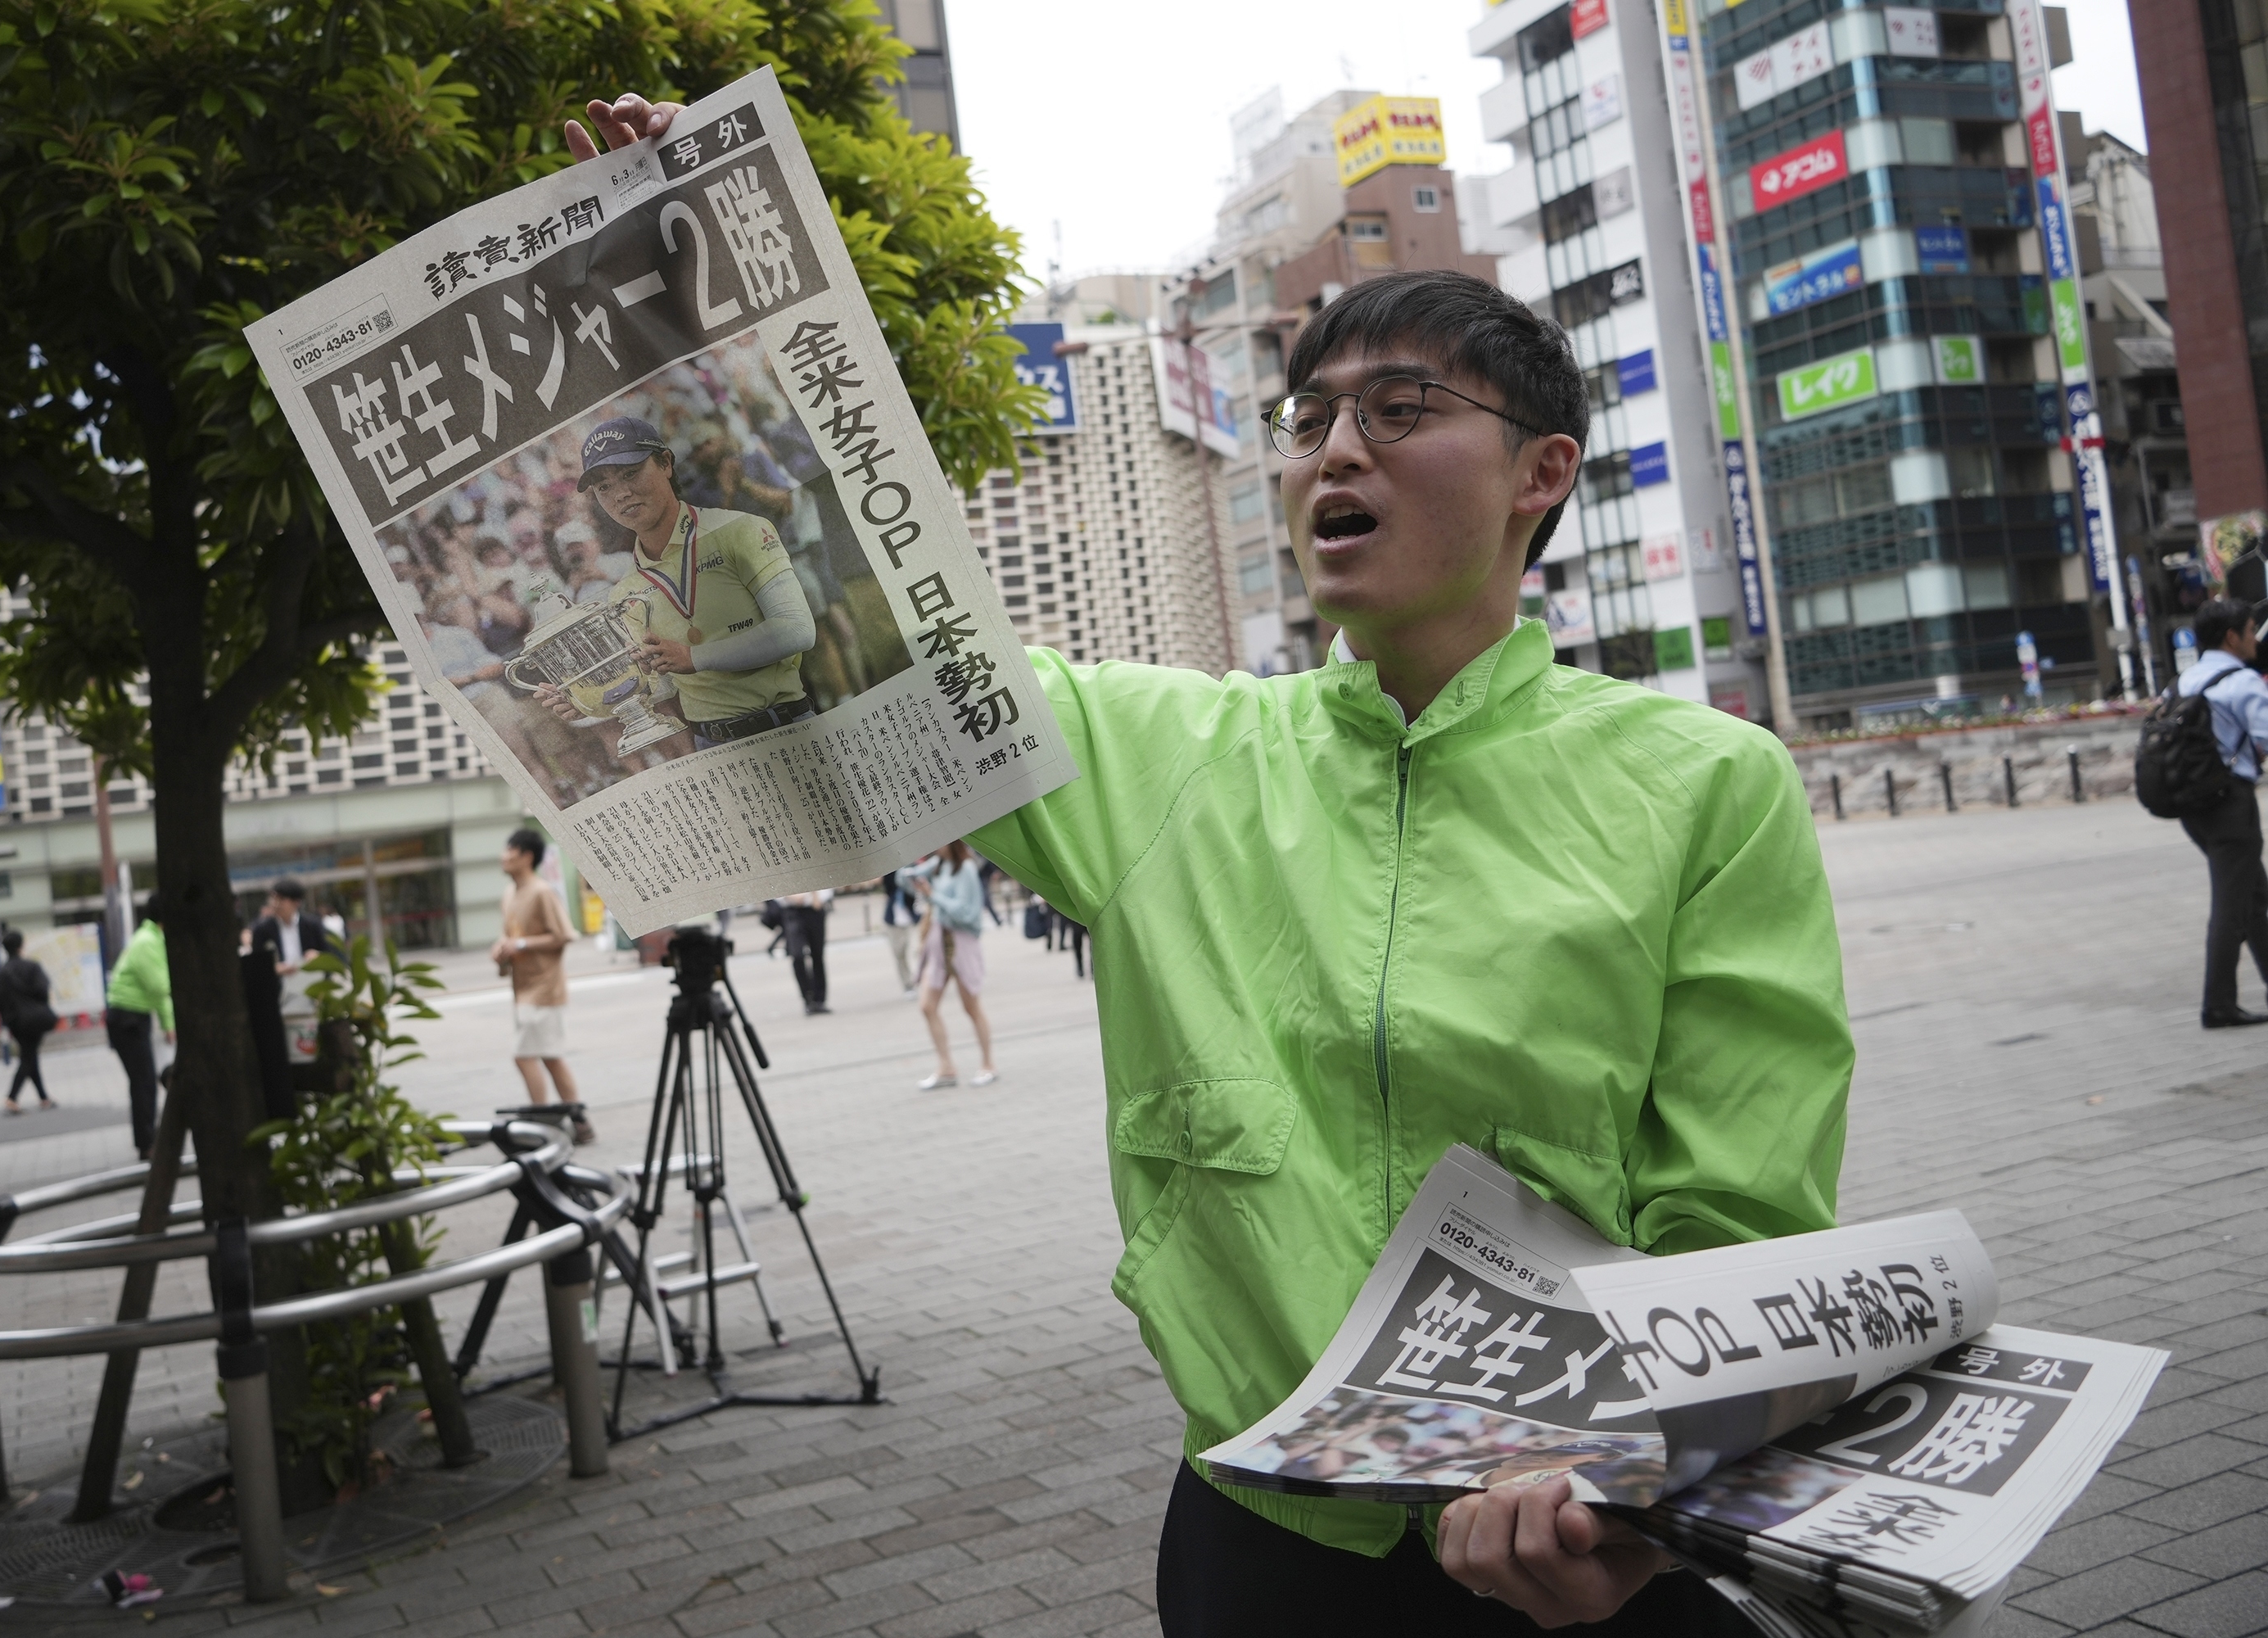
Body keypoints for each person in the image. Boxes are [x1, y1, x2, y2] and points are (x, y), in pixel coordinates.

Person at [570, 99, 1846, 1634]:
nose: (1333, 451)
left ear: (1541, 475)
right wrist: (699, 325)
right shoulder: (1160, 752)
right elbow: (889, 663)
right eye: (1308, 422)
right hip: (1259, 1537)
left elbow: (1743, 1211)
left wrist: (1638, 1503)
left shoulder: (1705, 781)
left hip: (1576, 1538)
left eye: (1401, 408)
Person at [532, 416, 819, 751]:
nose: (621, 494)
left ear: (666, 463)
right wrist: (584, 700)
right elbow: (662, 684)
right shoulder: (626, 590)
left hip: (787, 727)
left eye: (630, 473)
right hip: (711, 745)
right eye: (604, 487)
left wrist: (694, 657)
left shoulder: (740, 530)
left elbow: (797, 629)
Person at [2170, 596, 2268, 1027]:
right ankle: (2218, 1004)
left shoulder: (2182, 681)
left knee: (2255, 896)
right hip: (2231, 805)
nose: (2254, 639)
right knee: (2232, 906)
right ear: (2232, 637)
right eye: (2250, 631)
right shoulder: (2242, 682)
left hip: (2193, 807)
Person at [494, 828, 597, 1147]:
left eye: (509, 850)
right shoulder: (509, 895)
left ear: (526, 856)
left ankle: (542, 1123)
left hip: (544, 988)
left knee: (524, 1056)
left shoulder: (541, 892)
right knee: (550, 1057)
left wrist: (521, 944)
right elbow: (510, 938)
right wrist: (502, 951)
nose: (504, 856)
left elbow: (565, 935)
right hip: (523, 988)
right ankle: (579, 1122)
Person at [905, 843, 996, 1090]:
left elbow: (968, 913)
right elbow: (905, 880)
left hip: (961, 942)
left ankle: (988, 1064)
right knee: (927, 1005)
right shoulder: (938, 865)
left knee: (971, 1006)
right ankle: (946, 1067)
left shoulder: (966, 868)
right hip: (939, 943)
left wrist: (934, 896)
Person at [245, 878, 334, 1121]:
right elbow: (256, 965)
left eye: (281, 899)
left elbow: (333, 956)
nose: (276, 904)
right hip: (279, 999)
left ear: (296, 902)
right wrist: (275, 969)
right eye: (273, 898)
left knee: (311, 1046)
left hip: (310, 995)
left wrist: (317, 957)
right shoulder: (263, 929)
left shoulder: (312, 925)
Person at [105, 894, 172, 1162]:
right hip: (128, 1018)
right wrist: (169, 1024)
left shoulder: (150, 938)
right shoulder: (148, 942)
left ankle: (148, 1141)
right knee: (144, 1083)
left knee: (144, 1082)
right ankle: (147, 1145)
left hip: (132, 1017)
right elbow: (159, 988)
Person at [0, 927, 57, 1113]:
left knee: (30, 1055)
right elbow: (43, 991)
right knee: (28, 1057)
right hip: (35, 1019)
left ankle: (44, 1098)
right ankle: (12, 1097)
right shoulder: (32, 967)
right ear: (21, 946)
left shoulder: (1, 973)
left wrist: (9, 1009)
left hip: (15, 1022)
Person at [781, 887, 832, 1014]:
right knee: (797, 955)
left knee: (818, 955)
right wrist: (791, 896)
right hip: (793, 912)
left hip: (814, 910)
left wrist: (816, 896)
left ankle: (820, 1000)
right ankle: (808, 997)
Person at [879, 871, 920, 991]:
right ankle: (908, 984)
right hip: (894, 919)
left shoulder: (913, 868)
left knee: (914, 950)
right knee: (899, 953)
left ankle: (917, 978)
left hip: (912, 917)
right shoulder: (890, 872)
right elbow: (888, 888)